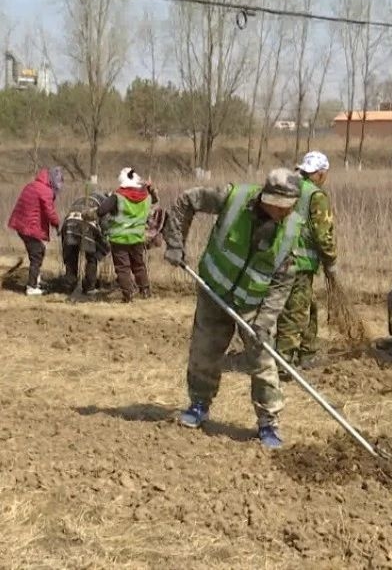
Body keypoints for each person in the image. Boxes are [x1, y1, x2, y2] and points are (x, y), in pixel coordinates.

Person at [163, 168, 303, 449]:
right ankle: (199, 405)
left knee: (263, 361)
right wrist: (176, 243)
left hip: (254, 303)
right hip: (215, 289)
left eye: (287, 208)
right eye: (276, 206)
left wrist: (265, 321)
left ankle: (268, 423)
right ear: (265, 197)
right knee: (204, 351)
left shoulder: (292, 230)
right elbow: (187, 201)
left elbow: (282, 282)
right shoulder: (234, 198)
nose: (281, 212)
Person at [276, 151, 337, 371]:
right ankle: (283, 364)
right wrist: (331, 261)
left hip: (278, 258)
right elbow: (323, 234)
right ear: (319, 174)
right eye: (325, 174)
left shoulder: (287, 186)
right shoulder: (315, 195)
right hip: (299, 263)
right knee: (295, 312)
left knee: (307, 306)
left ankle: (307, 353)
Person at [85, 167, 157, 302]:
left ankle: (128, 295)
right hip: (137, 238)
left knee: (123, 268)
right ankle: (145, 291)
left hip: (120, 239)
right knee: (139, 265)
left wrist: (87, 214)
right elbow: (154, 200)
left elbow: (101, 211)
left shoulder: (117, 196)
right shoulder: (146, 197)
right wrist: (150, 189)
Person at [8, 167, 63, 296]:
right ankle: (32, 287)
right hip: (28, 226)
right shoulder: (45, 191)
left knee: (39, 250)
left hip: (21, 224)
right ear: (53, 182)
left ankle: (36, 281)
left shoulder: (33, 185)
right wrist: (57, 224)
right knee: (37, 253)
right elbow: (49, 211)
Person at [61, 192, 110, 294]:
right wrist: (106, 240)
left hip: (69, 223)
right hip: (87, 225)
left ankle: (69, 284)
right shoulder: (105, 203)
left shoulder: (83, 197)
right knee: (92, 256)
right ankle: (89, 287)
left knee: (71, 256)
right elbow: (105, 224)